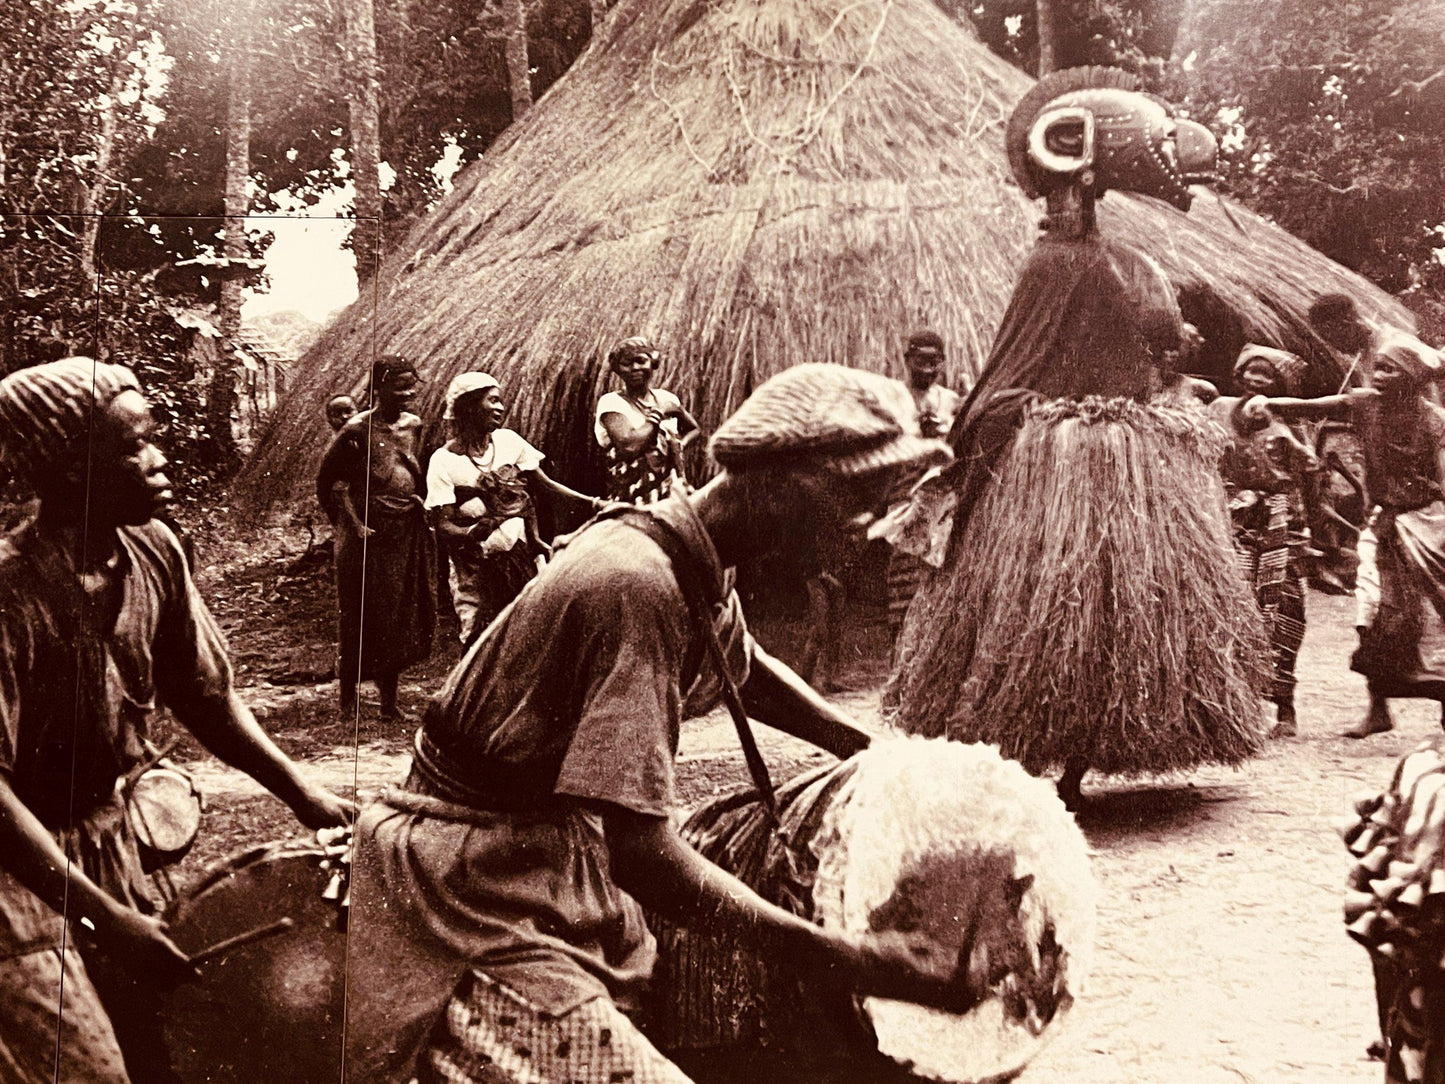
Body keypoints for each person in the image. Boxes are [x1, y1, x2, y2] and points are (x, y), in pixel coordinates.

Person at [344, 364, 972, 1084]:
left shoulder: (682, 547)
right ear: (779, 480)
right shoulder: (634, 585)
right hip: (470, 879)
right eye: (854, 500)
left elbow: (743, 665)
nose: (865, 532)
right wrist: (843, 955)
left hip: (543, 853)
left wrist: (873, 752)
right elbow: (640, 852)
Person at [885, 67, 1266, 809]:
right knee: (1053, 603)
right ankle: (1037, 753)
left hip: (1118, 450)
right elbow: (1019, 364)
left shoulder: (1111, 260)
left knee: (1113, 606)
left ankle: (1081, 753)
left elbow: (1149, 345)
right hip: (1057, 459)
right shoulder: (1056, 262)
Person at [0, 357, 353, 1084]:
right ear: (69, 472)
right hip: (17, 876)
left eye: (153, 436)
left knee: (173, 1046)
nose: (159, 459)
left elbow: (203, 695)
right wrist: (102, 915)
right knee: (88, 1070)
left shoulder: (154, 550)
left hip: (109, 843)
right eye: (132, 446)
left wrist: (303, 793)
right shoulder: (11, 592)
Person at [1238, 339, 1445, 739]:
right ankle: (1378, 708)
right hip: (1383, 525)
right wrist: (1273, 403)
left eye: (1390, 370)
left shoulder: (1434, 422)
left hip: (1428, 525)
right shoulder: (1365, 403)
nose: (1379, 375)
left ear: (1412, 379)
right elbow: (1317, 405)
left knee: (1432, 618)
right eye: (1378, 368)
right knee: (1371, 615)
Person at [427, 371, 601, 644]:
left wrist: (593, 503)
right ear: (469, 406)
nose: (500, 408)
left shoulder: (509, 442)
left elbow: (546, 488)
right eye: (492, 401)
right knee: (480, 638)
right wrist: (474, 533)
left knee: (530, 633)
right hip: (476, 567)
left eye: (501, 401)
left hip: (522, 558)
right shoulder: (444, 460)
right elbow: (443, 524)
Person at [317, 356, 436, 723]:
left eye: (411, 385)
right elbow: (328, 481)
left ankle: (388, 703)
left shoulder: (413, 425)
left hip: (403, 531)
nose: (407, 393)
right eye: (398, 386)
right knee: (357, 612)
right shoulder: (356, 430)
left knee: (395, 613)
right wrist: (350, 527)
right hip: (366, 536)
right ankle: (347, 700)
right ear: (379, 387)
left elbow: (413, 468)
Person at [1220, 345, 1318, 738]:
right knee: (1233, 603)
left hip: (1281, 521)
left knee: (1285, 607)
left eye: (1267, 376)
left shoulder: (1289, 423)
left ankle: (1284, 706)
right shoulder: (1220, 409)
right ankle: (1235, 705)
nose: (1257, 381)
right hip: (1233, 517)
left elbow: (1307, 477)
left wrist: (1308, 534)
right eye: (1252, 373)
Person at [595, 336, 700, 504]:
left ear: (653, 363)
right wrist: (659, 412)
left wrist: (677, 448)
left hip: (671, 493)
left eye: (641, 361)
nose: (635, 367)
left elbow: (694, 429)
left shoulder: (666, 397)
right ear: (618, 369)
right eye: (627, 363)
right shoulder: (612, 402)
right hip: (631, 497)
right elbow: (630, 445)